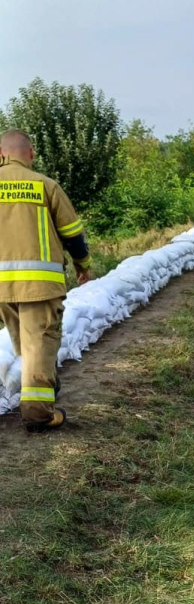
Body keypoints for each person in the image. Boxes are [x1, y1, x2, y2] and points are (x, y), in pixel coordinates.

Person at [0, 129, 92, 432]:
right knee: (39, 344)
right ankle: (38, 414)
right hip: (39, 285)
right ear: (31, 154)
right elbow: (72, 233)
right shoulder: (45, 186)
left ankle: (45, 386)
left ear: (1, 154)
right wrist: (83, 265)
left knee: (25, 346)